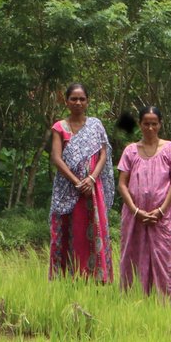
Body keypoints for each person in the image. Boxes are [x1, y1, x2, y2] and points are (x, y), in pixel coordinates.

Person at [117, 106, 171, 302]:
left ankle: (169, 302)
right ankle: (133, 299)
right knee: (133, 254)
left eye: (154, 123)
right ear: (140, 125)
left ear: (160, 125)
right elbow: (122, 184)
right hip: (134, 217)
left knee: (166, 258)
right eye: (146, 123)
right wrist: (135, 210)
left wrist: (161, 210)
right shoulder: (130, 151)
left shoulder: (170, 149)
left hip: (161, 216)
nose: (150, 127)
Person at [49, 83, 114, 283]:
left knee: (93, 231)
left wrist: (92, 178)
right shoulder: (60, 127)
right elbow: (57, 158)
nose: (78, 102)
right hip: (68, 189)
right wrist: (78, 182)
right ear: (66, 101)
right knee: (70, 232)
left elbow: (104, 152)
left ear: (88, 101)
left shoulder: (95, 126)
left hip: (92, 190)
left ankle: (95, 279)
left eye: (82, 99)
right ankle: (67, 279)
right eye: (74, 99)